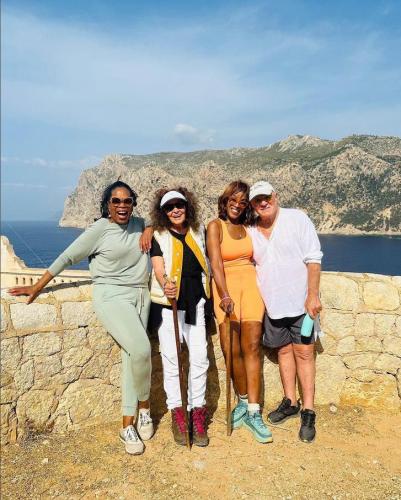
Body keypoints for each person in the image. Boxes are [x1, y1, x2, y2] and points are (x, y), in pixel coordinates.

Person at [9, 181, 154, 455]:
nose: (122, 205)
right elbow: (67, 257)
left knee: (131, 357)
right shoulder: (99, 229)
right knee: (141, 350)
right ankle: (145, 406)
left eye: (127, 201)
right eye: (116, 201)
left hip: (141, 296)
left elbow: (160, 220)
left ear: (134, 203)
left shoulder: (139, 223)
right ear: (107, 204)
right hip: (112, 296)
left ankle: (128, 424)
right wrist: (37, 287)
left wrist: (150, 228)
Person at [247, 180, 323, 443]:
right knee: (283, 352)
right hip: (272, 306)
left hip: (301, 303)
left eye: (266, 197)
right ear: (252, 205)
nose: (263, 203)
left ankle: (308, 410)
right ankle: (290, 401)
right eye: (257, 200)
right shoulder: (251, 230)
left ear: (275, 196)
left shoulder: (297, 219)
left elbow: (314, 259)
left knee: (305, 354)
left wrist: (313, 295)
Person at [206, 180, 272, 443]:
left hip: (251, 287)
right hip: (225, 289)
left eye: (243, 202)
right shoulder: (215, 226)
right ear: (225, 201)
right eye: (233, 200)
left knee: (252, 347)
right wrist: (224, 294)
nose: (237, 205)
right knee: (230, 349)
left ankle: (254, 411)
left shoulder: (249, 227)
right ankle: (242, 401)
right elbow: (215, 264)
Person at [149, 187, 210, 447]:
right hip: (169, 305)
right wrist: (165, 283)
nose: (175, 210)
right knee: (172, 359)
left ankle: (197, 411)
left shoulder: (198, 231)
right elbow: (158, 266)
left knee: (200, 358)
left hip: (196, 302)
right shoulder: (158, 235)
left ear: (187, 206)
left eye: (179, 205)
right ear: (163, 212)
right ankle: (178, 413)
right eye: (169, 207)